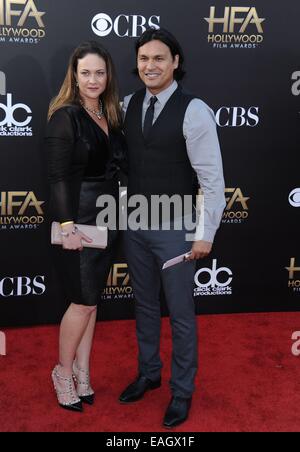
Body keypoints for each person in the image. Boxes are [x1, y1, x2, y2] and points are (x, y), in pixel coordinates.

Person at [119, 28, 226, 428]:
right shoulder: (127, 104)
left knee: (180, 313)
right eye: (144, 58)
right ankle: (149, 373)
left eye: (159, 58)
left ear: (175, 62)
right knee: (145, 306)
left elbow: (212, 179)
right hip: (135, 226)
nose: (150, 65)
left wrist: (205, 233)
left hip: (177, 229)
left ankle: (181, 391)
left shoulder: (194, 110)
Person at [45, 41, 125, 412]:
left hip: (108, 219)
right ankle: (63, 372)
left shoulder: (110, 114)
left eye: (100, 72)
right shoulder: (66, 116)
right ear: (74, 76)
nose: (93, 79)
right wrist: (67, 227)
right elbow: (58, 177)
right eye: (86, 72)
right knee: (81, 302)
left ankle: (83, 370)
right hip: (77, 220)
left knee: (92, 303)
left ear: (108, 76)